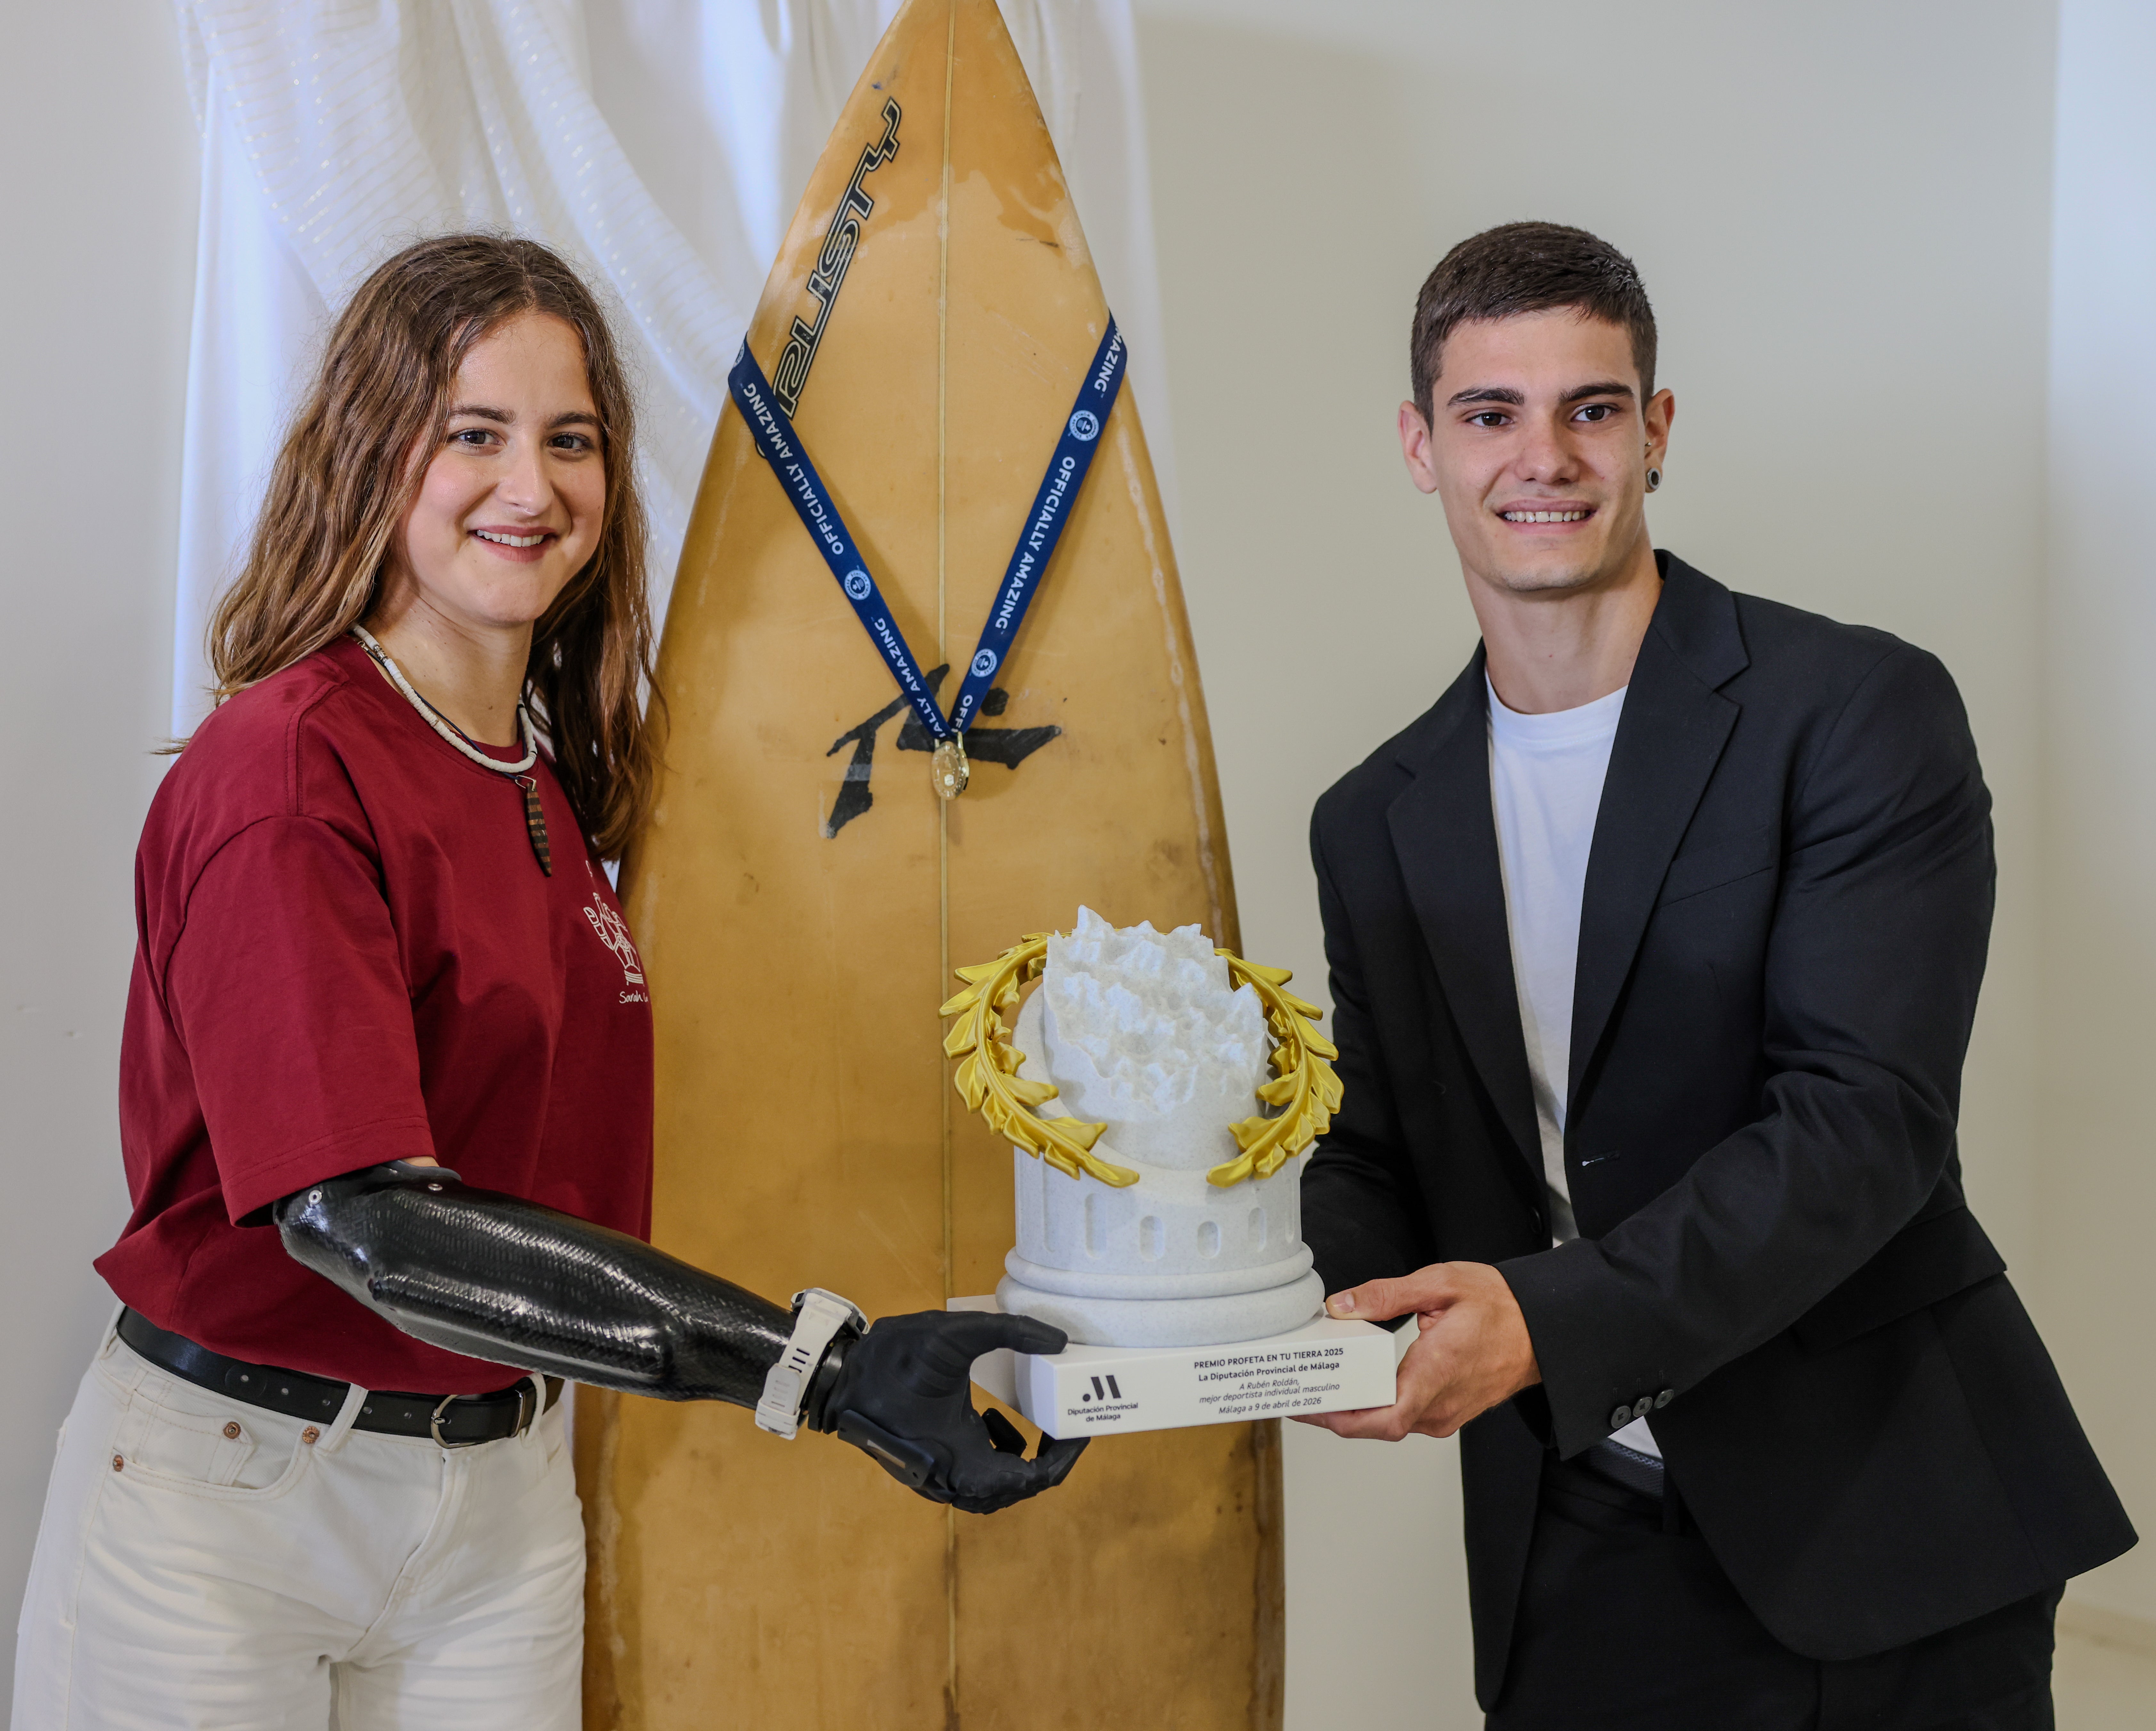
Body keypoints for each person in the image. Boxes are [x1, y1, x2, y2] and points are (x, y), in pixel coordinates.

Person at [12, 233, 1081, 1731]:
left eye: (570, 440)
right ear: (371, 448)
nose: (531, 485)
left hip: (499, 1496)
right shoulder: (289, 771)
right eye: (475, 432)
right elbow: (368, 1221)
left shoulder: (545, 778)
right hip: (236, 1505)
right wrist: (821, 1369)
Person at [1296, 222, 2135, 1728]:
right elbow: (1378, 1152)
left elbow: (1862, 1124)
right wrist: (1231, 1317)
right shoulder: (1373, 817)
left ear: (1656, 430)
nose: (1543, 456)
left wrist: (1545, 1319)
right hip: (1574, 1539)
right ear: (1422, 447)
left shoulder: (1854, 709)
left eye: (1591, 407)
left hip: (1883, 1531)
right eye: (1489, 413)